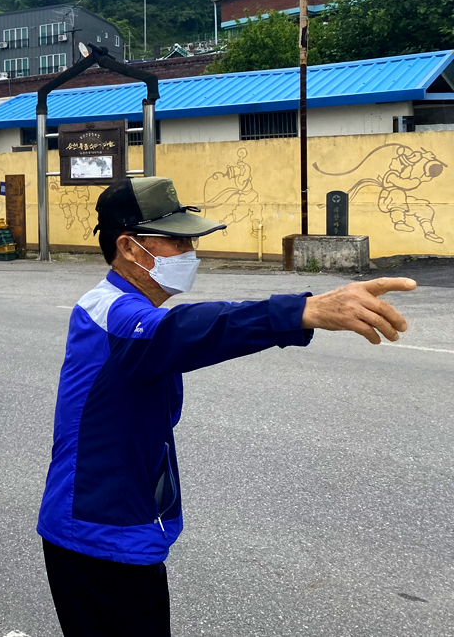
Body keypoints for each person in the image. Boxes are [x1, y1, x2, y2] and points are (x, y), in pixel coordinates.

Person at [38, 176, 416, 637]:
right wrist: (301, 311)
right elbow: (185, 330)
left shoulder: (127, 305)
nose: (191, 251)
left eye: (191, 239)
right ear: (130, 248)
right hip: (98, 536)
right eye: (176, 240)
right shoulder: (116, 314)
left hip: (122, 523)